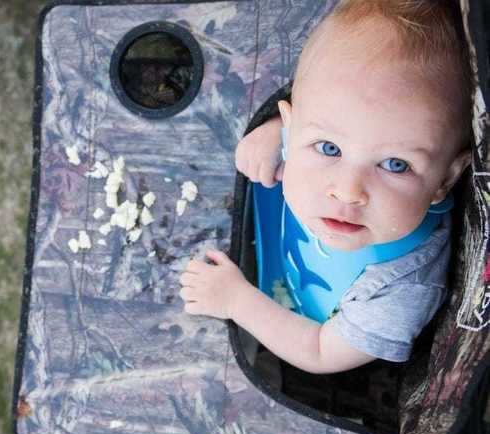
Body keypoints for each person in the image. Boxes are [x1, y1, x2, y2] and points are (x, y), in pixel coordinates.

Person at [179, 0, 473, 374]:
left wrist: (237, 301)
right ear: (293, 123)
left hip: (305, 326)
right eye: (329, 148)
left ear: (445, 179)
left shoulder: (404, 287)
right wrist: (273, 135)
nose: (349, 191)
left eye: (395, 165)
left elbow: (320, 353)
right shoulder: (303, 136)